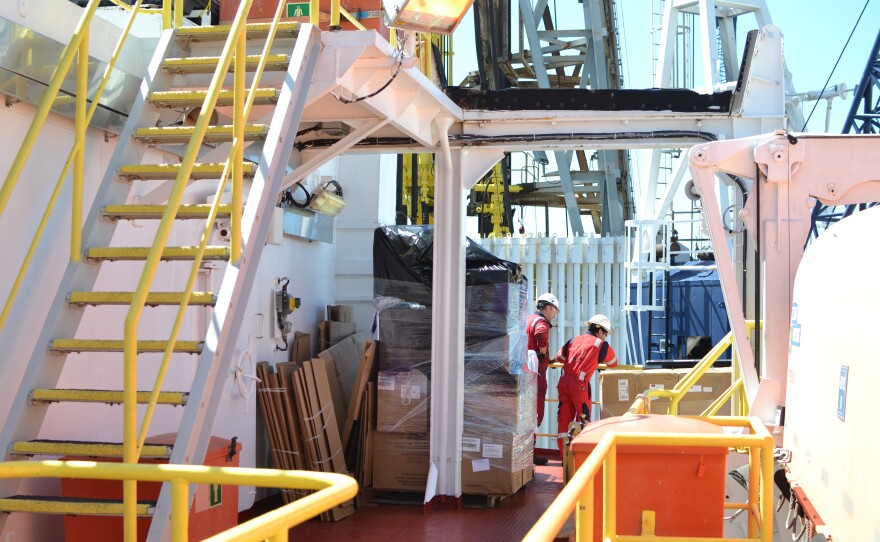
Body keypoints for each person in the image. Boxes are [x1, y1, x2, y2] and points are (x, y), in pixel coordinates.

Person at [555, 314, 618, 451]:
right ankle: (579, 453)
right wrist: (596, 360)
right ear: (600, 331)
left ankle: (563, 455)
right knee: (583, 421)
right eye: (605, 334)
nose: (605, 337)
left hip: (563, 384)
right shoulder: (600, 345)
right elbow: (613, 362)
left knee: (564, 420)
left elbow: (559, 357)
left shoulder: (573, 340)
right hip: (580, 387)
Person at [526, 292, 559, 465]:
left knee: (525, 411)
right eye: (555, 310)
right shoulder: (541, 323)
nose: (555, 314)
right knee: (536, 411)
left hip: (526, 372)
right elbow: (540, 335)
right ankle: (530, 452)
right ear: (547, 307)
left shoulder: (529, 318)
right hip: (536, 373)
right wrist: (543, 353)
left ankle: (525, 452)